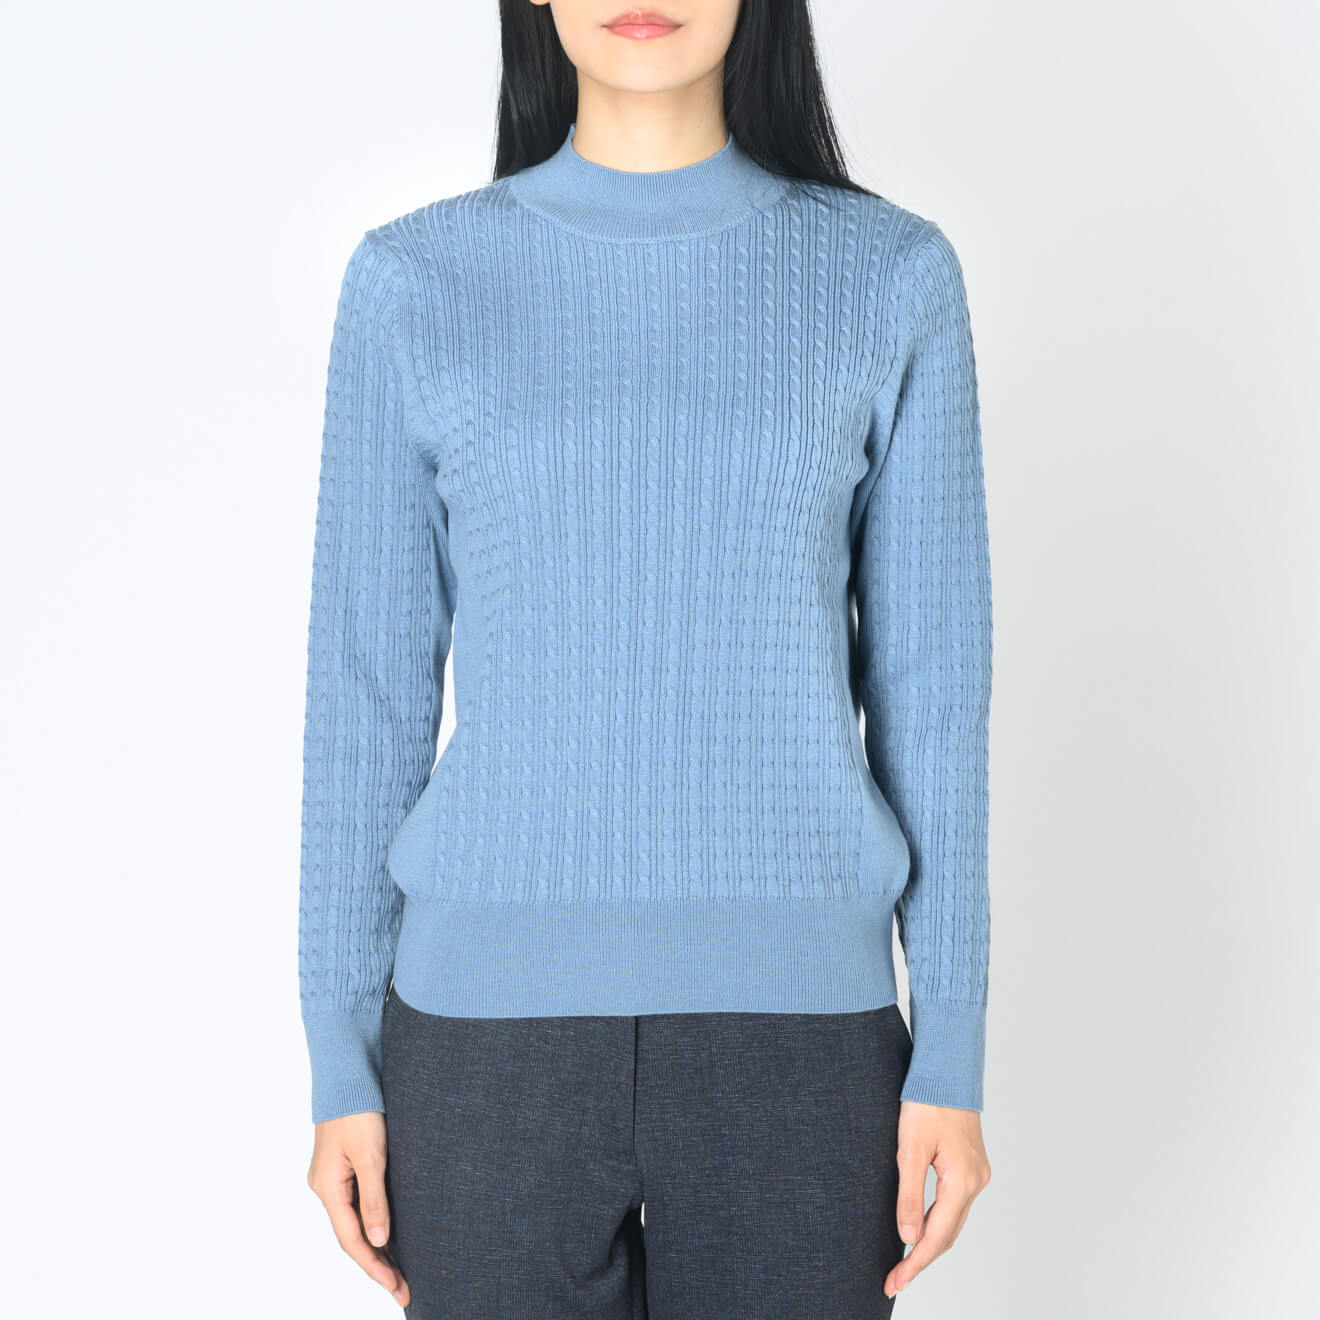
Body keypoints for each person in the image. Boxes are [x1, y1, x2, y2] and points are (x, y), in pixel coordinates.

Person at [299, 2, 993, 1315]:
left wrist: (950, 1048)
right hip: (482, 1057)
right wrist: (342, 1056)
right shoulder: (414, 284)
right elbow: (364, 699)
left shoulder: (889, 277)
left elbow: (935, 700)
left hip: (802, 1055)